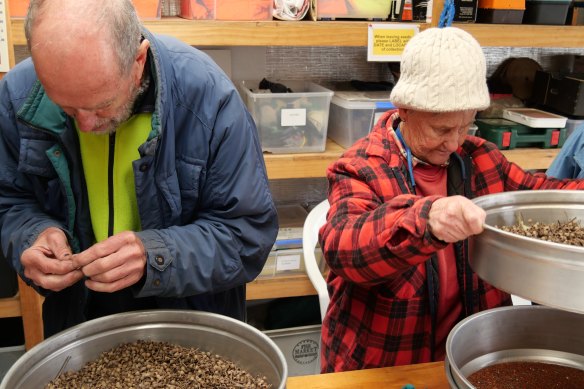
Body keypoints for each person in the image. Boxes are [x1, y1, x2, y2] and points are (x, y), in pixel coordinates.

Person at [0, 0, 278, 337]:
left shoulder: (207, 98)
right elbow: (10, 201)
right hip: (78, 323)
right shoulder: (19, 94)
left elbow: (247, 234)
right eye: (67, 108)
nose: (86, 125)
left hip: (191, 328)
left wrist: (154, 256)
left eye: (101, 106)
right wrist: (32, 235)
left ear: (138, 60)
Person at [319, 26, 584, 373]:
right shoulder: (360, 167)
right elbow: (343, 248)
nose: (453, 143)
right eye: (442, 129)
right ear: (405, 109)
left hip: (472, 361)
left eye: (465, 126)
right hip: (384, 366)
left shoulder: (482, 159)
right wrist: (427, 219)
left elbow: (541, 197)